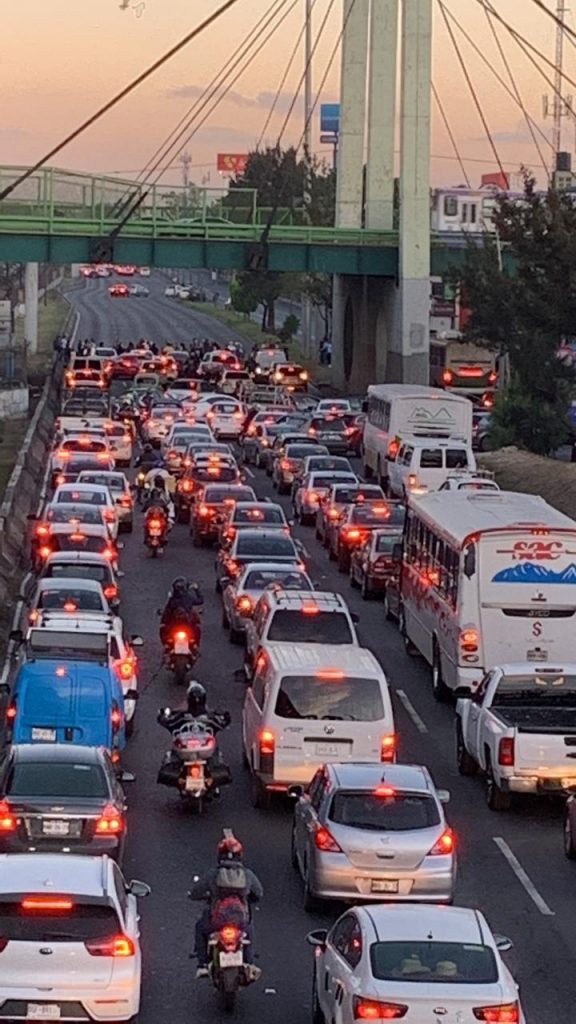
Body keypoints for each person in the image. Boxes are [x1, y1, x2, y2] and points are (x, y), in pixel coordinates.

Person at [188, 831, 263, 979]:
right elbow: (259, 893)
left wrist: (193, 895)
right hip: (240, 921)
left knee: (200, 928)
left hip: (217, 922)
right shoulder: (247, 874)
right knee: (249, 930)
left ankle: (202, 964)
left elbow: (197, 891)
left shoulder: (214, 874)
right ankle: (249, 963)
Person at [160, 576, 204, 646]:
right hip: (188, 626)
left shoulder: (172, 600)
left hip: (173, 627)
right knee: (197, 629)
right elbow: (200, 600)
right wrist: (196, 589)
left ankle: (166, 645)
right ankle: (196, 645)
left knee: (162, 629)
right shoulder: (189, 598)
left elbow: (167, 613)